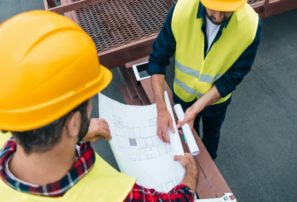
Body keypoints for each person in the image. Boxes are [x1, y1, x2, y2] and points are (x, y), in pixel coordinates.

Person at [0, 11, 198, 201]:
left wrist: (76, 135)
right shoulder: (113, 195)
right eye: (88, 99)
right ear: (73, 122)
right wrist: (190, 174)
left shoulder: (10, 120)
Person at [148, 0, 262, 160]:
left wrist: (195, 109)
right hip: (183, 96)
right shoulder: (181, 10)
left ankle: (209, 160)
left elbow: (232, 78)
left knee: (212, 136)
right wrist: (161, 109)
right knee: (186, 137)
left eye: (227, 10)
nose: (218, 16)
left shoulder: (250, 26)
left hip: (216, 102)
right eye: (214, 8)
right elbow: (157, 59)